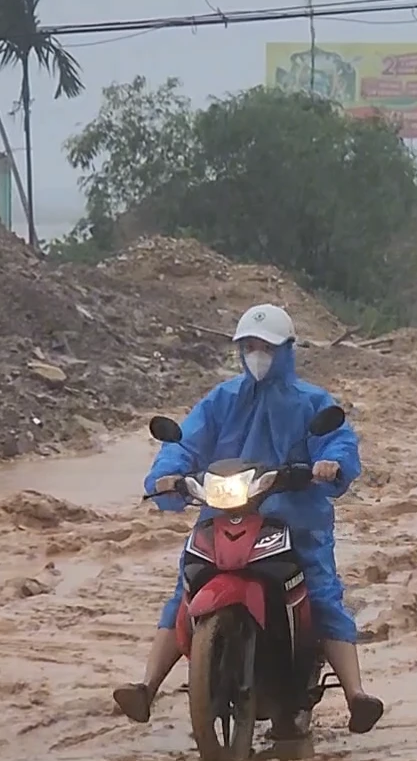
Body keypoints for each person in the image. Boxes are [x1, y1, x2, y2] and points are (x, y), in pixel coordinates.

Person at [113, 304, 385, 734]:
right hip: (224, 512)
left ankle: (356, 695)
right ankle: (147, 686)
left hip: (295, 521)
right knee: (184, 589)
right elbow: (185, 442)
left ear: (287, 350)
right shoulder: (221, 400)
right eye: (250, 347)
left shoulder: (312, 402)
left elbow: (338, 442)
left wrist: (329, 464)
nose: (257, 354)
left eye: (266, 347)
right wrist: (168, 474)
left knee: (322, 594)